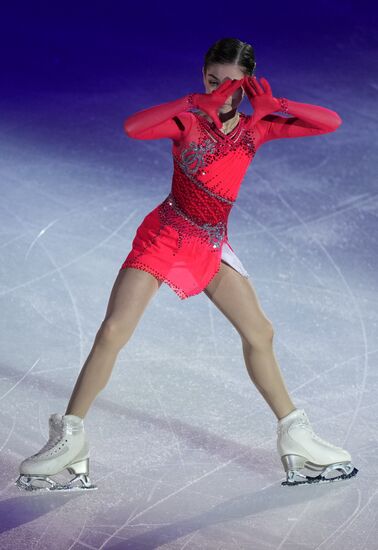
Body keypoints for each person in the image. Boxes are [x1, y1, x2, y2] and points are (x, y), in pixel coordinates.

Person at [15, 37, 358, 492]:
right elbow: (133, 128)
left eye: (232, 84)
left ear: (248, 84)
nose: (222, 91)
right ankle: (71, 436)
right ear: (202, 77)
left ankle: (296, 435)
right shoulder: (188, 120)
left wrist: (278, 104)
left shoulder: (259, 127)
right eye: (212, 81)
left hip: (210, 243)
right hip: (167, 233)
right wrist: (194, 102)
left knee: (261, 332)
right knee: (114, 330)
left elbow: (330, 122)